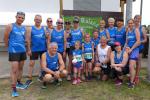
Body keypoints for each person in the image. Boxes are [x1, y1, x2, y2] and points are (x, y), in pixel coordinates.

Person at [4, 11, 27, 97]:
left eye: (22, 18)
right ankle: (14, 89)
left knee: (20, 68)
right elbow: (5, 38)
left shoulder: (24, 28)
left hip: (22, 50)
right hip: (13, 51)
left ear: (24, 19)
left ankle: (19, 83)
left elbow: (24, 39)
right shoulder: (10, 26)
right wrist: (9, 48)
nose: (20, 19)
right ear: (16, 17)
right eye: (19, 17)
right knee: (14, 70)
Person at [25, 15, 47, 87]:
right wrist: (28, 49)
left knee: (42, 64)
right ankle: (29, 78)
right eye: (37, 19)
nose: (38, 21)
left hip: (43, 49)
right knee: (31, 63)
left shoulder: (44, 29)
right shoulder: (30, 28)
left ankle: (41, 76)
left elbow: (47, 38)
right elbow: (28, 40)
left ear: (41, 21)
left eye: (39, 20)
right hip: (34, 49)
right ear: (34, 19)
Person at [125, 19, 141, 88]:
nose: (130, 24)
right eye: (129, 23)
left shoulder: (136, 30)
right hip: (128, 49)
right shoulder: (128, 30)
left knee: (131, 66)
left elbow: (138, 41)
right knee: (129, 66)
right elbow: (127, 41)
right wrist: (124, 49)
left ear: (133, 23)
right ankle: (130, 80)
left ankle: (132, 83)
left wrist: (131, 49)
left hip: (134, 49)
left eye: (131, 23)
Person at [134, 15, 147, 84]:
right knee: (132, 62)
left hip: (139, 47)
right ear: (134, 19)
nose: (137, 20)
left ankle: (137, 76)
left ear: (140, 20)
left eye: (139, 19)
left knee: (138, 62)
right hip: (132, 47)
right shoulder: (131, 27)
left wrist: (139, 42)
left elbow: (145, 39)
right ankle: (132, 75)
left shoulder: (142, 28)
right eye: (136, 18)